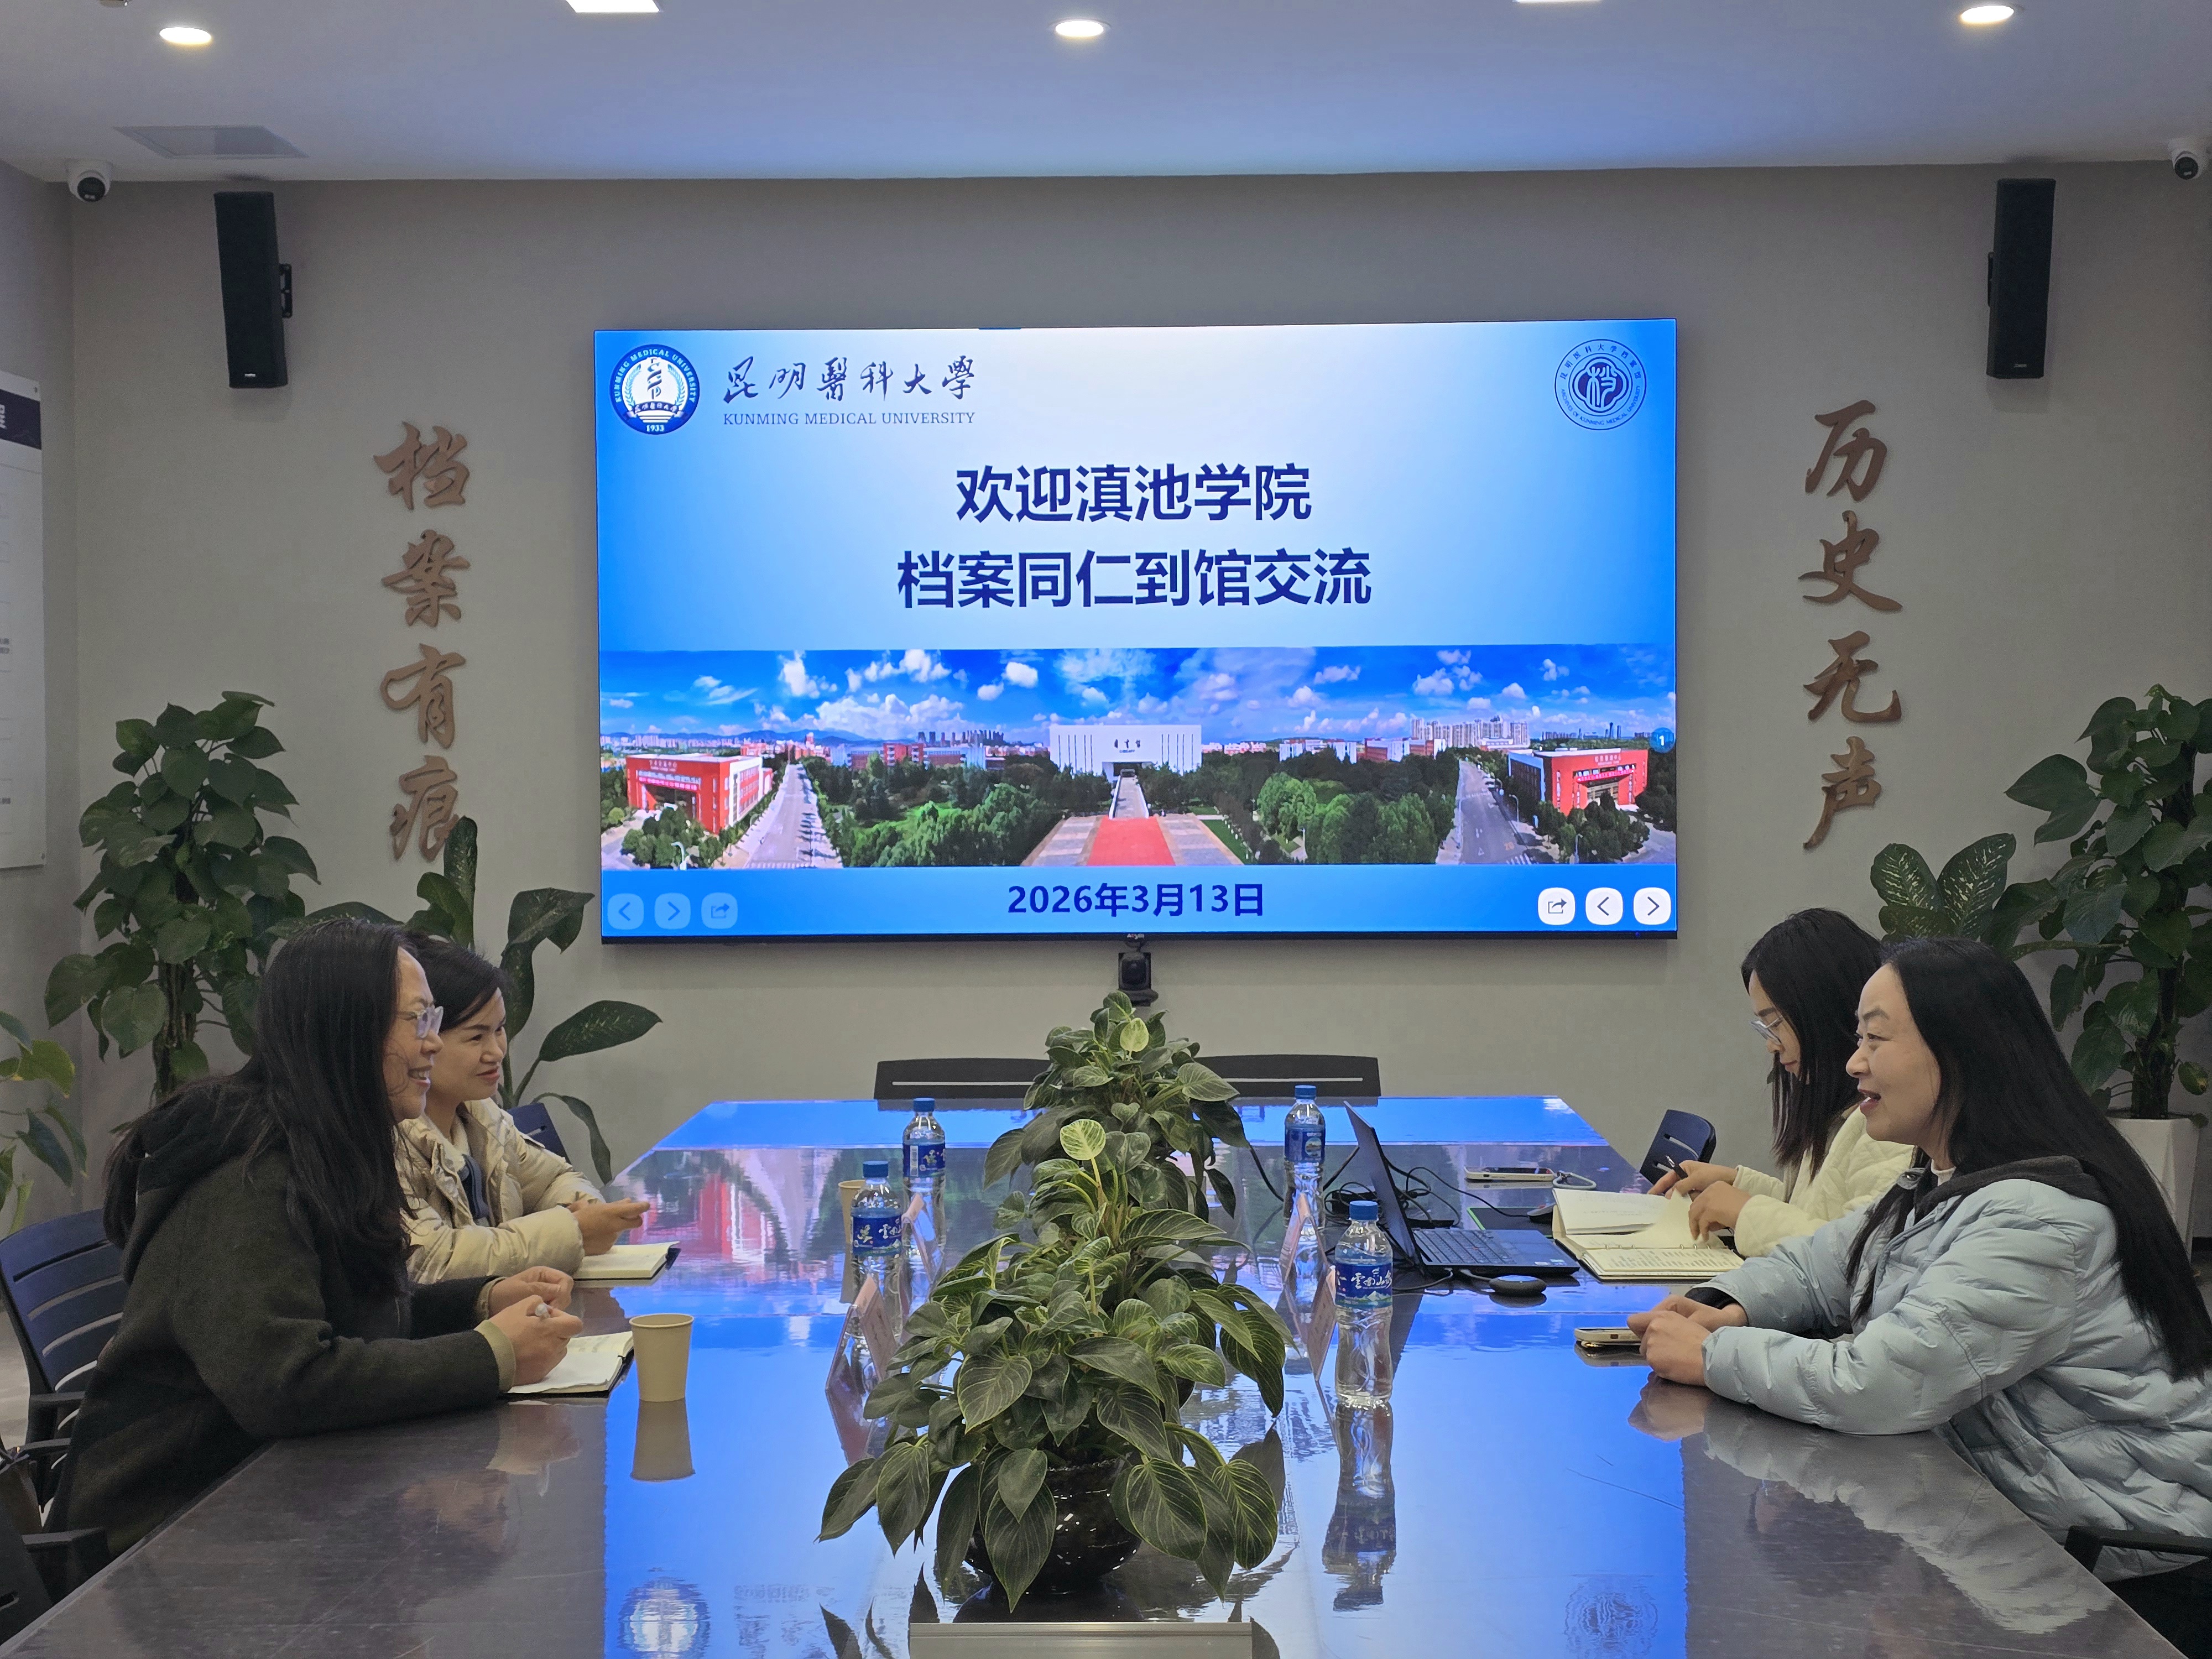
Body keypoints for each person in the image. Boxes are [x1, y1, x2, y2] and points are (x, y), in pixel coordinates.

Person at [1631, 938, 2212, 1621]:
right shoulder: (1941, 1178)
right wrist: (1725, 1306)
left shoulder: (2038, 1219)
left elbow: (1879, 1385)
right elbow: (1820, 1263)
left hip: (2117, 1569)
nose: (1854, 1063)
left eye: (1875, 1039)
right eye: (1857, 1039)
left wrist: (1710, 1355)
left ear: (1959, 1050)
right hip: (2027, 1523)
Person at [61, 920, 582, 1552]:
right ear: (346, 1029)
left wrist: (481, 1301)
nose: (432, 1044)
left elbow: (352, 1312)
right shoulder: (245, 1175)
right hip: (166, 1533)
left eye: (434, 1019)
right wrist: (490, 1355)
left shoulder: (324, 1143)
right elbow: (286, 1382)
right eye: (416, 1021)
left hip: (276, 1498)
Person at [1653, 909, 1911, 1255]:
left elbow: (1854, 1254)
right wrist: (1739, 1185)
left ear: (1823, 1012)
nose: (1772, 1045)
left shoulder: (1891, 1126)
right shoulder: (1836, 1111)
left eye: (1775, 1024)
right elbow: (1816, 1210)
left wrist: (1744, 1211)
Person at [395, 931, 647, 1282]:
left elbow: (555, 1179)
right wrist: (570, 1230)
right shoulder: (389, 1139)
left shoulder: (484, 1117)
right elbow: (433, 1261)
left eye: (499, 1030)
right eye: (476, 1037)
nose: (496, 1051)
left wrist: (579, 1211)